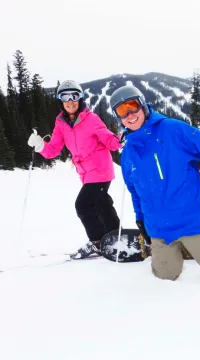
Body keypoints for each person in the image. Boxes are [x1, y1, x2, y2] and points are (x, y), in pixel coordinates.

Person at [109, 85, 200, 281]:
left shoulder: (173, 130)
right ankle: (181, 250)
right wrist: (140, 220)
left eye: (132, 106)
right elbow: (134, 191)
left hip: (193, 220)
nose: (130, 114)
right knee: (165, 277)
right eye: (122, 111)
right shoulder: (128, 154)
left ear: (143, 105)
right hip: (159, 228)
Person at [28, 80, 123, 259]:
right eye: (65, 97)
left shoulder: (92, 119)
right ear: (61, 101)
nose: (70, 101)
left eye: (74, 96)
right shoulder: (61, 123)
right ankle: (114, 236)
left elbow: (108, 139)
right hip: (86, 173)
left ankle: (97, 242)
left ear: (80, 99)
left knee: (84, 205)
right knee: (102, 203)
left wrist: (120, 140)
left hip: (100, 170)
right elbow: (54, 150)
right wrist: (40, 146)